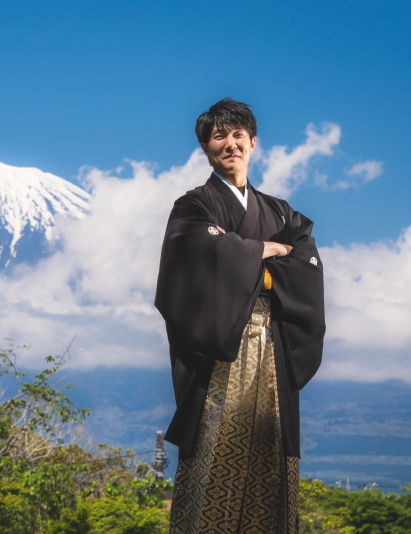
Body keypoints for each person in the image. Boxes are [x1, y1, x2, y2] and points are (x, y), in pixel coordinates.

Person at [154, 98, 325, 533]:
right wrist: (262, 252)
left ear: (253, 143)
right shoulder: (194, 207)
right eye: (218, 137)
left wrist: (244, 258)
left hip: (273, 352)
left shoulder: (282, 213)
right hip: (221, 357)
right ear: (206, 148)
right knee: (215, 453)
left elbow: (306, 263)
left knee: (271, 461)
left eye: (237, 135)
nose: (229, 144)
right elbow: (196, 256)